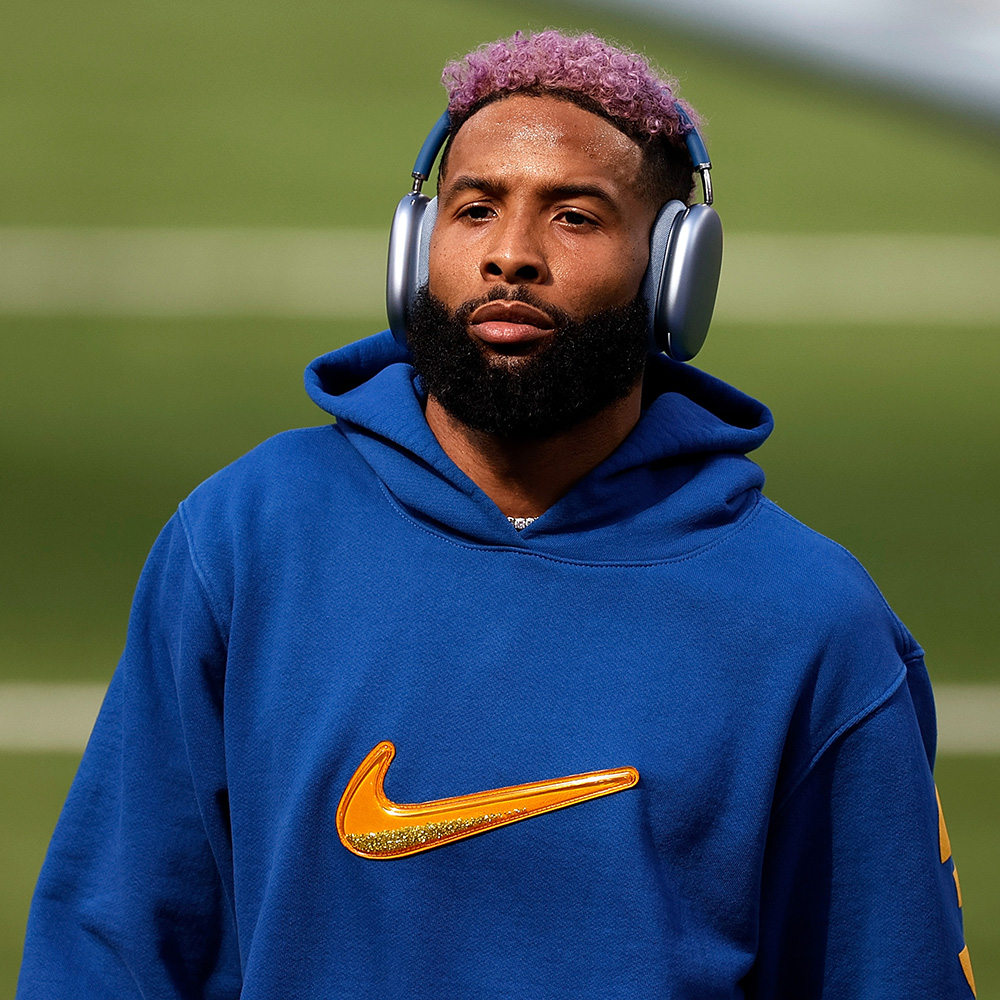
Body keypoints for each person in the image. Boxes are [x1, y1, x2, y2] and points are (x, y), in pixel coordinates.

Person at [18, 29, 975, 999]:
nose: (511, 255)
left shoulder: (808, 619)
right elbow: (113, 943)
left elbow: (884, 970)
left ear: (675, 275)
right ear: (416, 245)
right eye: (475, 208)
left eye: (575, 217)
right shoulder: (248, 537)